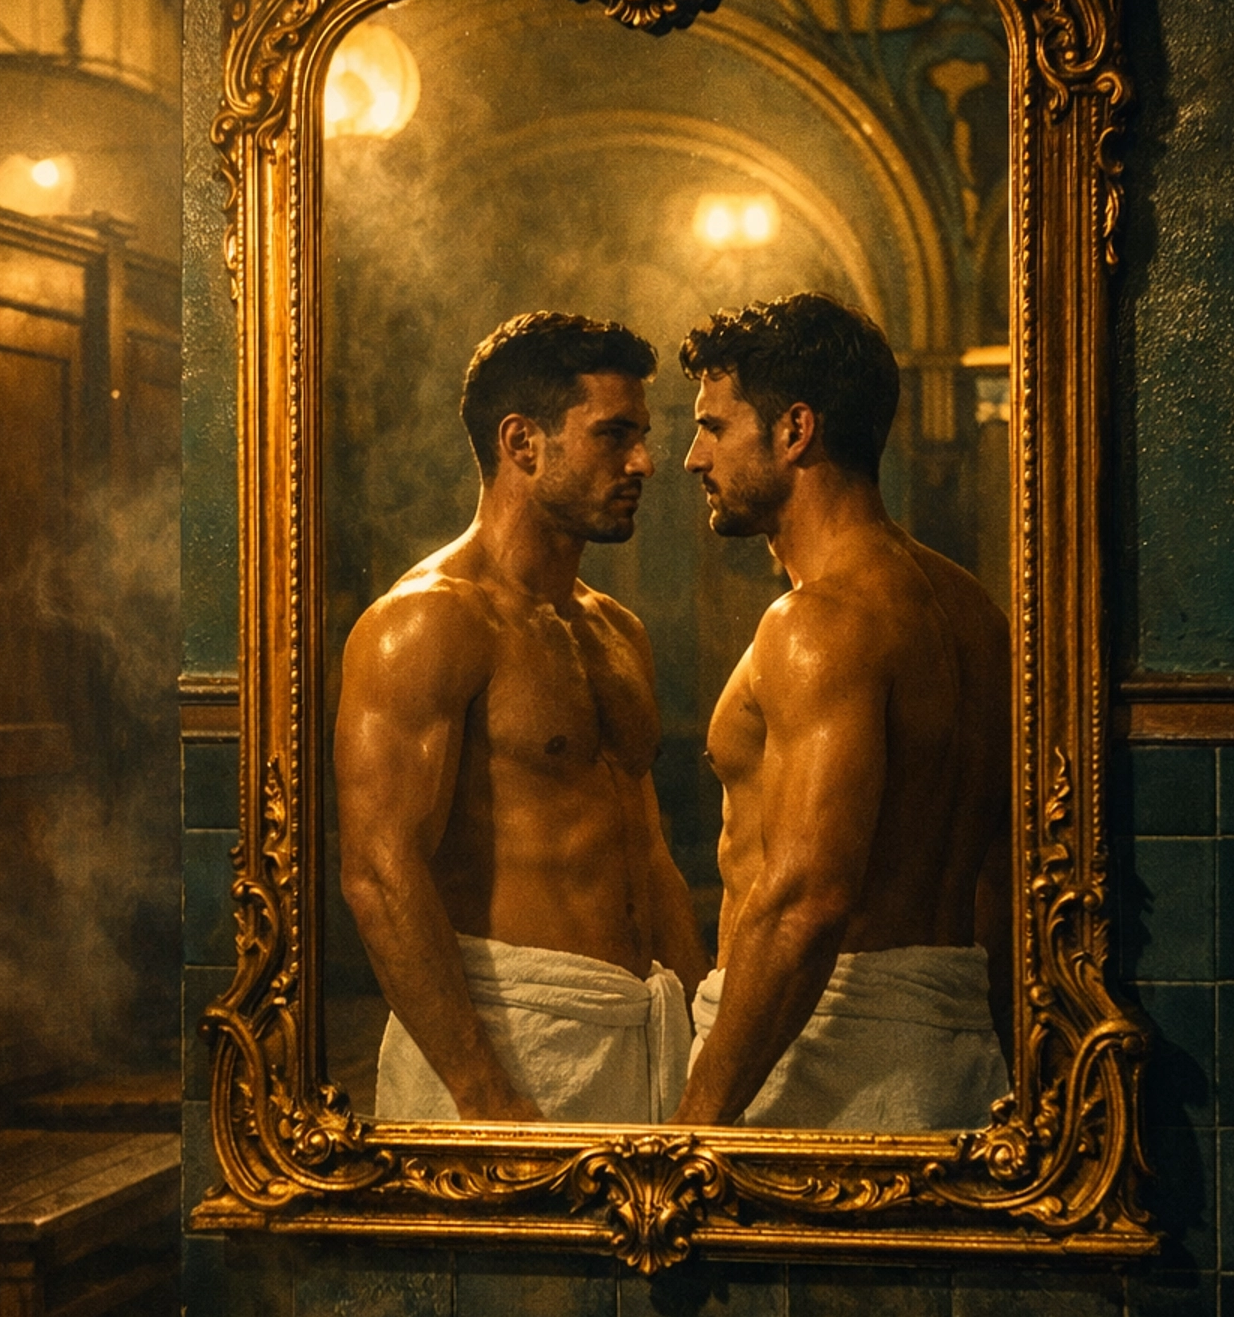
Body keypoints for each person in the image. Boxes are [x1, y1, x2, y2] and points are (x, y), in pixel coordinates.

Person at [335, 311, 709, 1123]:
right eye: (615, 435)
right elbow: (378, 874)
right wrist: (482, 1092)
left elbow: (651, 854)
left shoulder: (616, 630)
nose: (645, 461)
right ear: (522, 442)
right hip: (508, 1040)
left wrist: (697, 1035)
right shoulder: (425, 623)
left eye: (643, 435)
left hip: (638, 1030)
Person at [671, 292, 1012, 1131]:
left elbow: (805, 901)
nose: (691, 457)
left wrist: (688, 1130)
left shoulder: (817, 623)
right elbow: (1002, 878)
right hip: (954, 1046)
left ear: (794, 431)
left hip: (825, 1053)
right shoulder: (972, 611)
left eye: (714, 427)